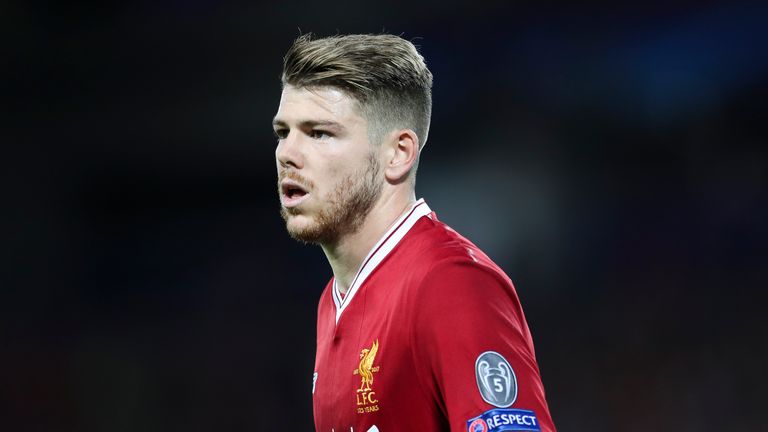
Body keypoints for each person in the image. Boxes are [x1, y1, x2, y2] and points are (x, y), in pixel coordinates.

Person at [273, 33, 556, 432]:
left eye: (319, 132)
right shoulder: (333, 302)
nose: (287, 153)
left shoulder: (449, 283)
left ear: (398, 154)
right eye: (283, 133)